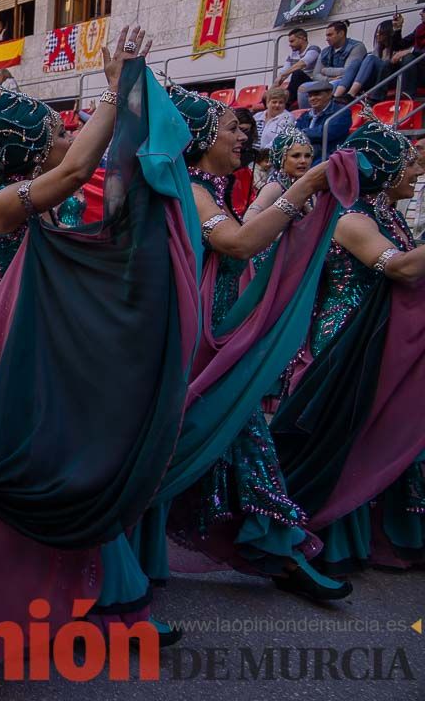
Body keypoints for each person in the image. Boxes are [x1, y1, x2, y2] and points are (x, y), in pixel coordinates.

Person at [0, 28, 198, 655]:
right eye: (55, 134)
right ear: (35, 151)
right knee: (27, 475)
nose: (67, 140)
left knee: (72, 466)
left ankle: (113, 604)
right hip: (4, 363)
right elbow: (79, 170)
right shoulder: (2, 204)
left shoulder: (41, 205)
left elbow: (109, 181)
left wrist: (124, 95)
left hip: (37, 351)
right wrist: (113, 88)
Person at [131, 84, 353, 603]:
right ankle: (277, 552)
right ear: (203, 136)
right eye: (232, 127)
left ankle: (277, 550)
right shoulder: (195, 188)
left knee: (235, 436)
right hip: (200, 340)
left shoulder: (209, 187)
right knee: (225, 435)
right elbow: (237, 243)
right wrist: (310, 185)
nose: (243, 134)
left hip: (218, 333)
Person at [272, 118, 425, 576]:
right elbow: (400, 269)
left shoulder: (386, 212)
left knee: (388, 429)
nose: (417, 172)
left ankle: (391, 533)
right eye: (410, 162)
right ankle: (329, 531)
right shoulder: (352, 217)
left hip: (379, 335)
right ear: (384, 167)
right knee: (351, 433)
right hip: (346, 341)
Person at [312, 20, 368, 104]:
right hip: (328, 81)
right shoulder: (325, 51)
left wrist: (325, 70)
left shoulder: (356, 46)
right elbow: (315, 75)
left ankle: (331, 110)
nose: (326, 39)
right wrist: (329, 79)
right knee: (304, 88)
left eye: (330, 35)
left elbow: (348, 71)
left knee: (332, 85)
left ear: (341, 34)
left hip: (347, 83)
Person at [296, 80, 351, 161]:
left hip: (329, 157)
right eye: (310, 96)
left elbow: (325, 133)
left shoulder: (342, 112)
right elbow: (295, 132)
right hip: (306, 153)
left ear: (329, 94)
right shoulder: (306, 115)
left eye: (317, 95)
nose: (312, 98)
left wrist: (303, 133)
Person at [276, 27, 319, 107]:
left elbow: (302, 64)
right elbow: (284, 70)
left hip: (313, 81)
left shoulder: (314, 49)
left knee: (297, 73)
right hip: (299, 83)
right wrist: (274, 86)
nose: (290, 44)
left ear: (303, 38)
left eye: (292, 41)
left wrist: (283, 75)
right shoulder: (293, 54)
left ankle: (286, 103)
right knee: (274, 94)